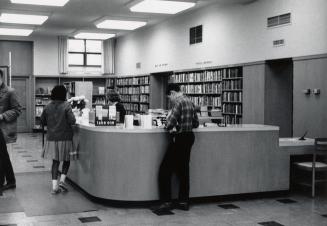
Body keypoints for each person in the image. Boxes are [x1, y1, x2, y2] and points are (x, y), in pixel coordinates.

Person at [154, 83, 199, 213]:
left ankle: (166, 201)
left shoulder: (177, 103)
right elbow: (195, 123)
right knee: (184, 170)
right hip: (189, 137)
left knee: (164, 170)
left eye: (169, 97)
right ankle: (183, 201)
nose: (170, 99)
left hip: (178, 139)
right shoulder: (190, 102)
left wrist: (167, 123)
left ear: (173, 93)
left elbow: (169, 124)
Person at [41, 85, 76, 194]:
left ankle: (54, 186)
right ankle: (62, 181)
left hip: (52, 138)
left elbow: (42, 121)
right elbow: (72, 121)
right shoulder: (66, 106)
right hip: (65, 137)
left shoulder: (47, 107)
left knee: (55, 162)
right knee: (66, 160)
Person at [0, 70, 22, 192]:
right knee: (3, 156)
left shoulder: (10, 92)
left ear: (1, 78)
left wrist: (3, 116)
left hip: (3, 128)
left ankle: (4, 182)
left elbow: (17, 110)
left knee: (2, 156)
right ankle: (11, 181)